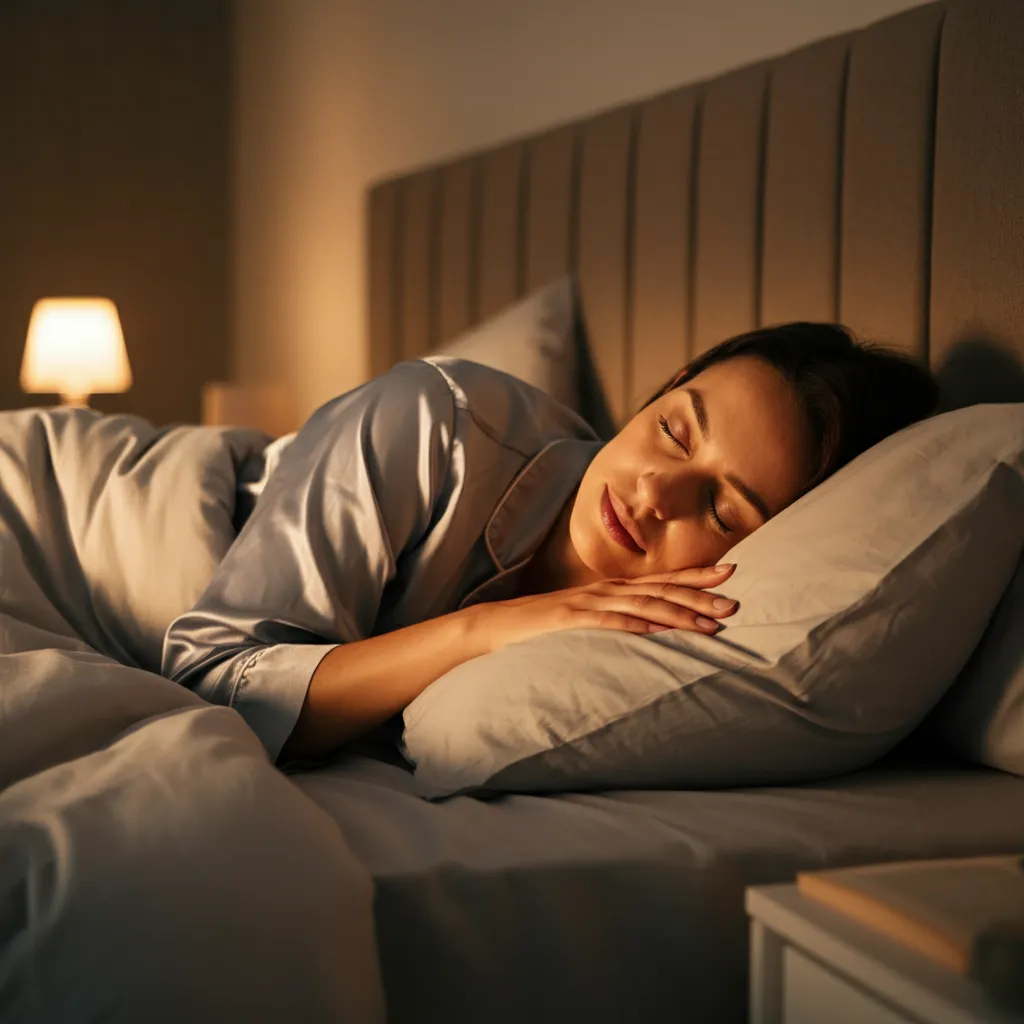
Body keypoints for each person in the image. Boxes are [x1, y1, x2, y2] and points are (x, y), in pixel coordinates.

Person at [162, 322, 939, 764]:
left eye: (723, 510)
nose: (653, 493)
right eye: (672, 429)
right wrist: (480, 631)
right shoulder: (438, 420)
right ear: (665, 387)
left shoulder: (666, 636)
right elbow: (212, 680)